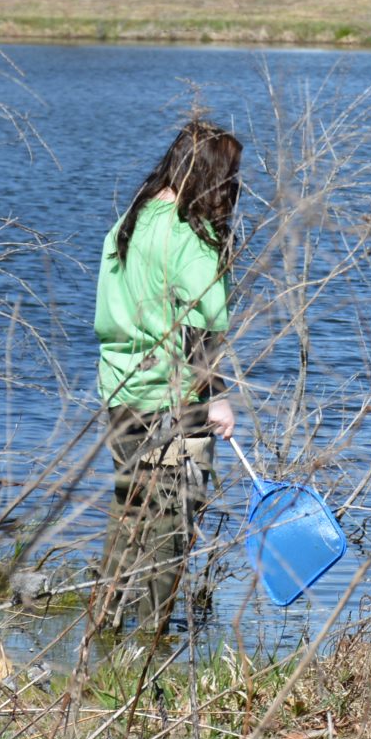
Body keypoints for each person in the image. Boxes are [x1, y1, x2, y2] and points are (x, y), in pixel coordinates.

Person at [92, 118, 242, 639]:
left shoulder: (128, 222)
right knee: (172, 525)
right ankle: (150, 640)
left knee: (130, 508)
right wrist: (217, 399)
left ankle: (104, 626)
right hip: (175, 402)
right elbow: (203, 329)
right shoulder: (189, 238)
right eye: (230, 177)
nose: (234, 189)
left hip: (119, 391)